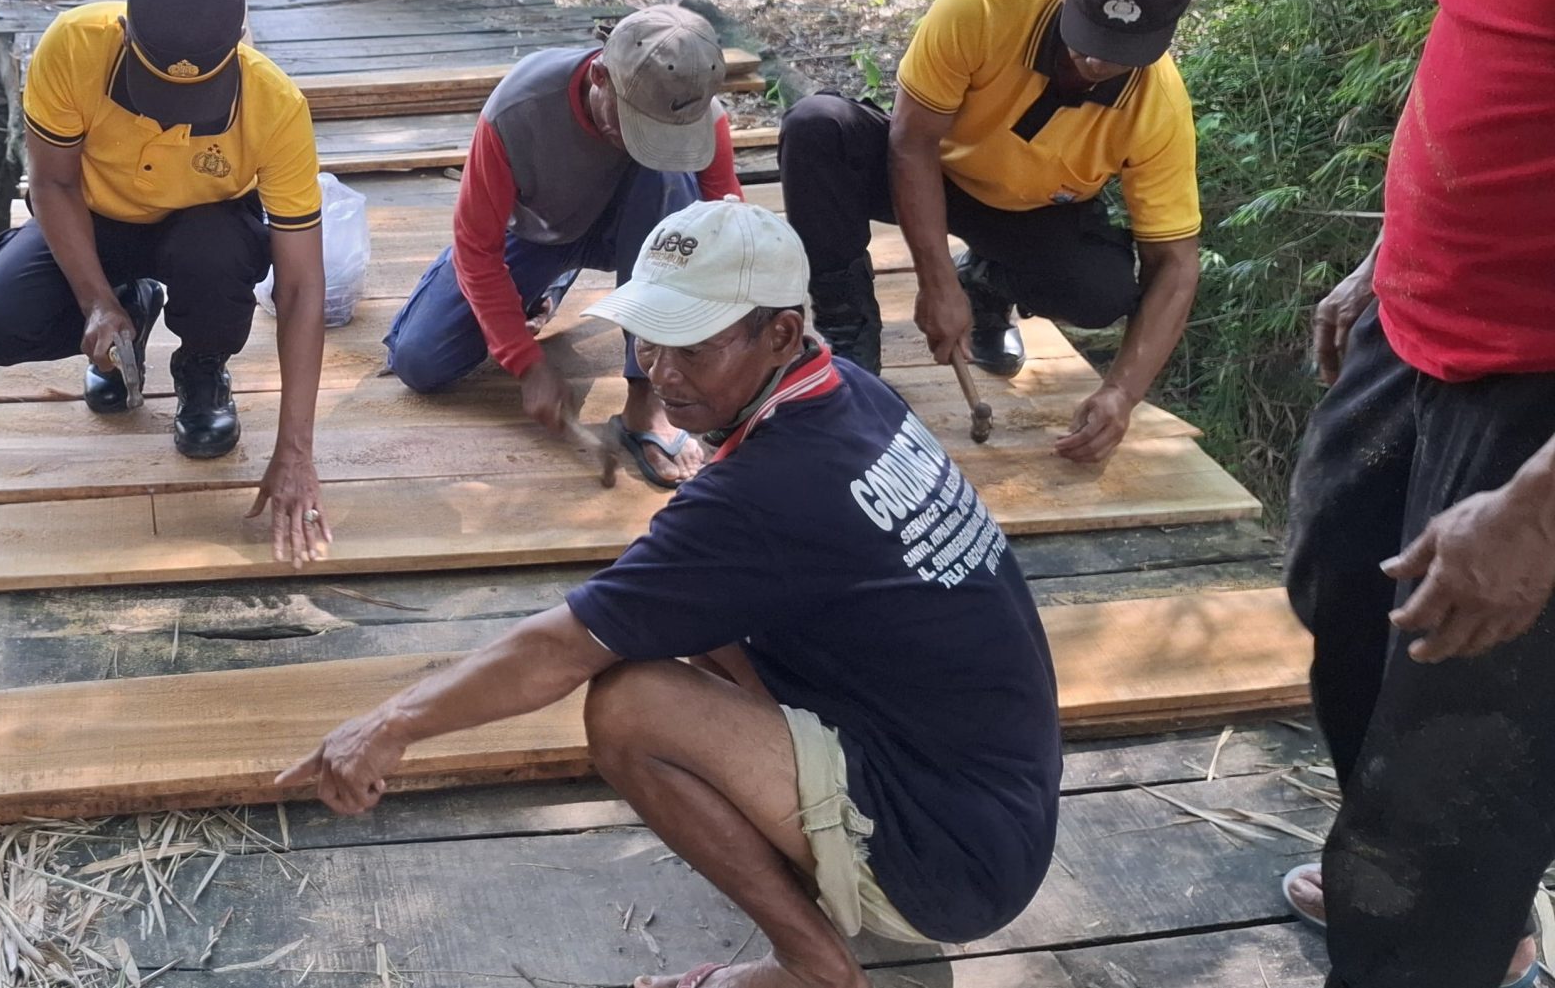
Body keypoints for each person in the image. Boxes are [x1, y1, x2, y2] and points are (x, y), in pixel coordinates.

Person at [283, 200, 1062, 988]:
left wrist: (388, 724)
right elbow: (648, 595)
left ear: (782, 333)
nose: (660, 367)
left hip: (948, 860)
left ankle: (812, 966)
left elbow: (559, 648)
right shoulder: (848, 393)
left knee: (631, 703)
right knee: (673, 610)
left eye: (692, 343)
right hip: (1001, 807)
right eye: (648, 333)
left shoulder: (772, 488)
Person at [1279, 0, 1555, 988]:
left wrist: (1539, 504)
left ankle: (1438, 927)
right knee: (1338, 584)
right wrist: (1390, 248)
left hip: (1534, 393)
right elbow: (1477, 39)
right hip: (1418, 316)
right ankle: (1411, 875)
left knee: (1457, 749)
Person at [777, 0, 1210, 467]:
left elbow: (1175, 263)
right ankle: (848, 330)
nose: (1096, 61)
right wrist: (933, 283)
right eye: (1089, 37)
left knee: (1100, 290)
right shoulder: (981, 6)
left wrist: (1122, 391)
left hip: (1029, 211)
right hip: (929, 167)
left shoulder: (1158, 107)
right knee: (817, 128)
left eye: (1120, 52)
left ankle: (984, 285)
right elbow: (911, 143)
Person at [0, 0, 331, 565]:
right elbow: (52, 184)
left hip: (204, 229)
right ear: (124, 33)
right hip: (94, 217)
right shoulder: (73, 46)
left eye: (191, 102)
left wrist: (295, 450)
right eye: (151, 91)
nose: (163, 114)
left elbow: (299, 287)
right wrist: (95, 303)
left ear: (238, 45)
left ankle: (202, 366)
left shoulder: (275, 107)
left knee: (214, 248)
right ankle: (127, 299)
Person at [383, 4, 741, 487]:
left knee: (666, 175)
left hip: (645, 240)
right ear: (599, 76)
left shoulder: (693, 111)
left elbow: (729, 228)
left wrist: (735, 351)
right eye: (636, 126)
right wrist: (527, 364)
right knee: (419, 361)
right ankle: (550, 278)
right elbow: (477, 250)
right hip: (540, 232)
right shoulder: (518, 110)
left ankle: (645, 403)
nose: (644, 142)